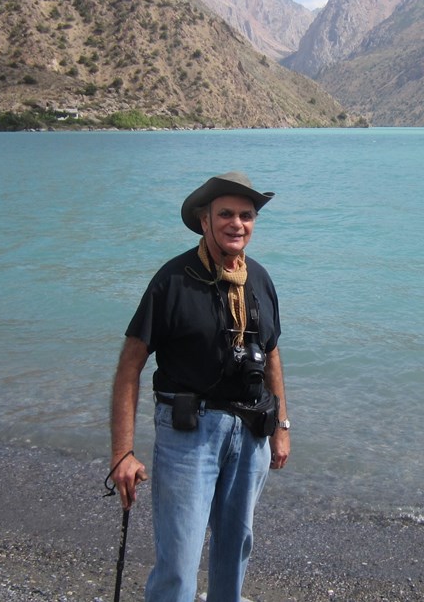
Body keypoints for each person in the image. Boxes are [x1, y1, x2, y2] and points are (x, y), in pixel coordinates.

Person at [109, 171, 291, 602]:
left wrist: (282, 425)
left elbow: (273, 355)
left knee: (235, 551)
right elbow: (130, 365)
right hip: (189, 435)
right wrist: (122, 453)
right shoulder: (172, 280)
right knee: (179, 563)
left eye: (246, 215)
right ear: (203, 220)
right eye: (225, 214)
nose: (237, 224)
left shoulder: (260, 279)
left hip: (250, 435)